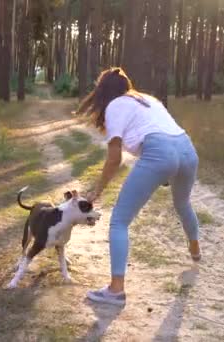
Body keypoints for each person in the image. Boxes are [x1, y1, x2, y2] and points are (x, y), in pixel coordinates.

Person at [75, 67, 200, 306]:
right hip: (187, 149)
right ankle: (195, 248)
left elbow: (114, 159)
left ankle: (115, 291)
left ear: (103, 93)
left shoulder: (114, 106)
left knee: (119, 221)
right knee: (182, 203)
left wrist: (98, 189)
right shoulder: (147, 99)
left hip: (161, 151)